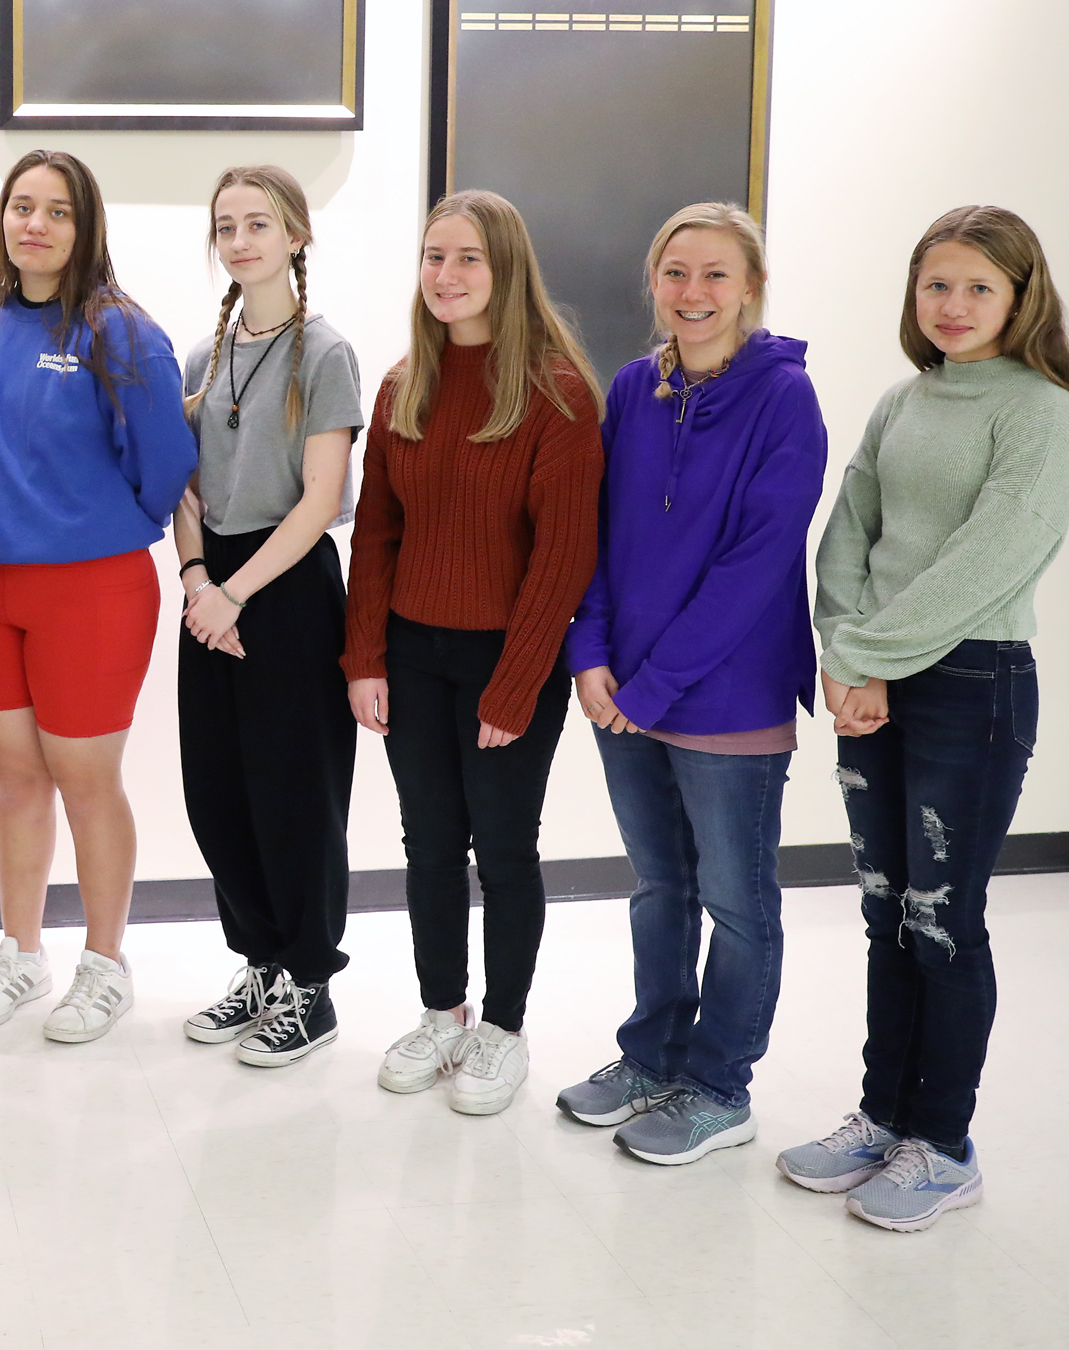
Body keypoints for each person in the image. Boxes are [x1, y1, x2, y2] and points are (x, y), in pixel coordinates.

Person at [778, 205, 1069, 1230]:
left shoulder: (1041, 411)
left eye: (978, 288)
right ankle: (883, 1117)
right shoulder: (903, 400)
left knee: (942, 918)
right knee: (884, 909)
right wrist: (846, 651)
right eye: (936, 286)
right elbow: (849, 532)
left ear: (1021, 297)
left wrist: (867, 655)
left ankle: (943, 1144)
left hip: (971, 683)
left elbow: (990, 560)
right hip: (875, 677)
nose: (953, 306)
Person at [554, 204, 827, 1163]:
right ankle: (653, 1057)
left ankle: (719, 1087)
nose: (694, 292)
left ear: (751, 288)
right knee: (658, 885)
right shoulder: (634, 388)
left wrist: (653, 685)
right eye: (676, 273)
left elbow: (757, 564)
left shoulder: (784, 398)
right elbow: (593, 529)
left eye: (716, 274)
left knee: (736, 903)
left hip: (726, 696)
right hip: (624, 690)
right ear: (654, 283)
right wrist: (589, 651)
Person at [343, 189, 603, 1115]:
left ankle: (503, 1029)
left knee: (503, 848)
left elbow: (564, 556)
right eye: (434, 256)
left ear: (506, 270)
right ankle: (442, 1014)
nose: (445, 276)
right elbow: (376, 532)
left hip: (507, 659)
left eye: (467, 259)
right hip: (412, 654)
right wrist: (364, 658)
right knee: (427, 845)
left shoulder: (557, 394)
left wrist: (517, 683)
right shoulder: (403, 384)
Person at [0, 150, 197, 1044]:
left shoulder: (120, 331)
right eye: (23, 206)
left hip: (93, 589)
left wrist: (96, 523)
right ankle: (22, 953)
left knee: (87, 782)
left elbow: (166, 465)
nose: (37, 225)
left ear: (86, 227)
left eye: (58, 211)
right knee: (17, 780)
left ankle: (105, 964)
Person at [172, 165, 364, 1068]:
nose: (241, 240)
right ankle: (259, 964)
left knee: (297, 797)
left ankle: (310, 985)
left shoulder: (324, 354)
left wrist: (234, 593)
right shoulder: (200, 359)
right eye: (226, 226)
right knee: (219, 793)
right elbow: (186, 492)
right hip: (209, 592)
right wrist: (196, 579)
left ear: (295, 236)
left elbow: (320, 501)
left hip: (286, 591)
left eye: (259, 223)